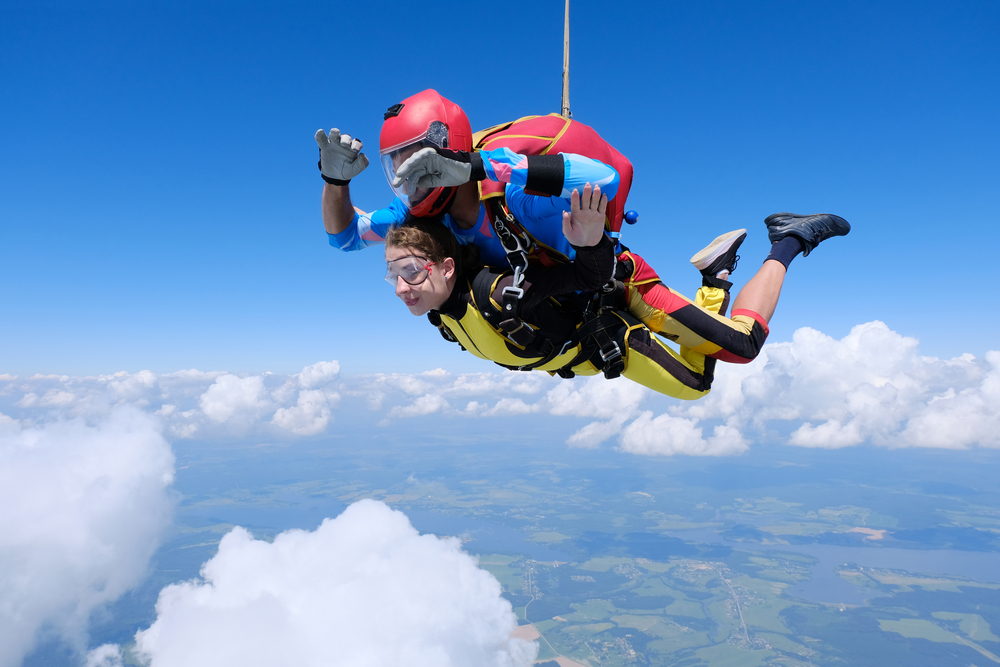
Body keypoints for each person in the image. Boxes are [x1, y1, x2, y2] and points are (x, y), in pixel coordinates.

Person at [383, 180, 851, 398]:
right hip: (598, 337)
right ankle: (716, 277)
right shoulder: (441, 310)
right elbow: (345, 236)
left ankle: (789, 238)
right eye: (392, 275)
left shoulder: (499, 292)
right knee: (701, 381)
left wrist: (588, 242)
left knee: (742, 346)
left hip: (618, 300)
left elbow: (581, 278)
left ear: (446, 267)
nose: (402, 287)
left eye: (410, 271)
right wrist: (337, 182)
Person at [316, 89, 622, 269]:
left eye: (419, 168)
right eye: (399, 172)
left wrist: (478, 166)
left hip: (609, 299)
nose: (409, 184)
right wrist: (334, 182)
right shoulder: (409, 214)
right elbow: (346, 238)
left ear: (450, 152)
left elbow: (606, 181)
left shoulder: (511, 196)